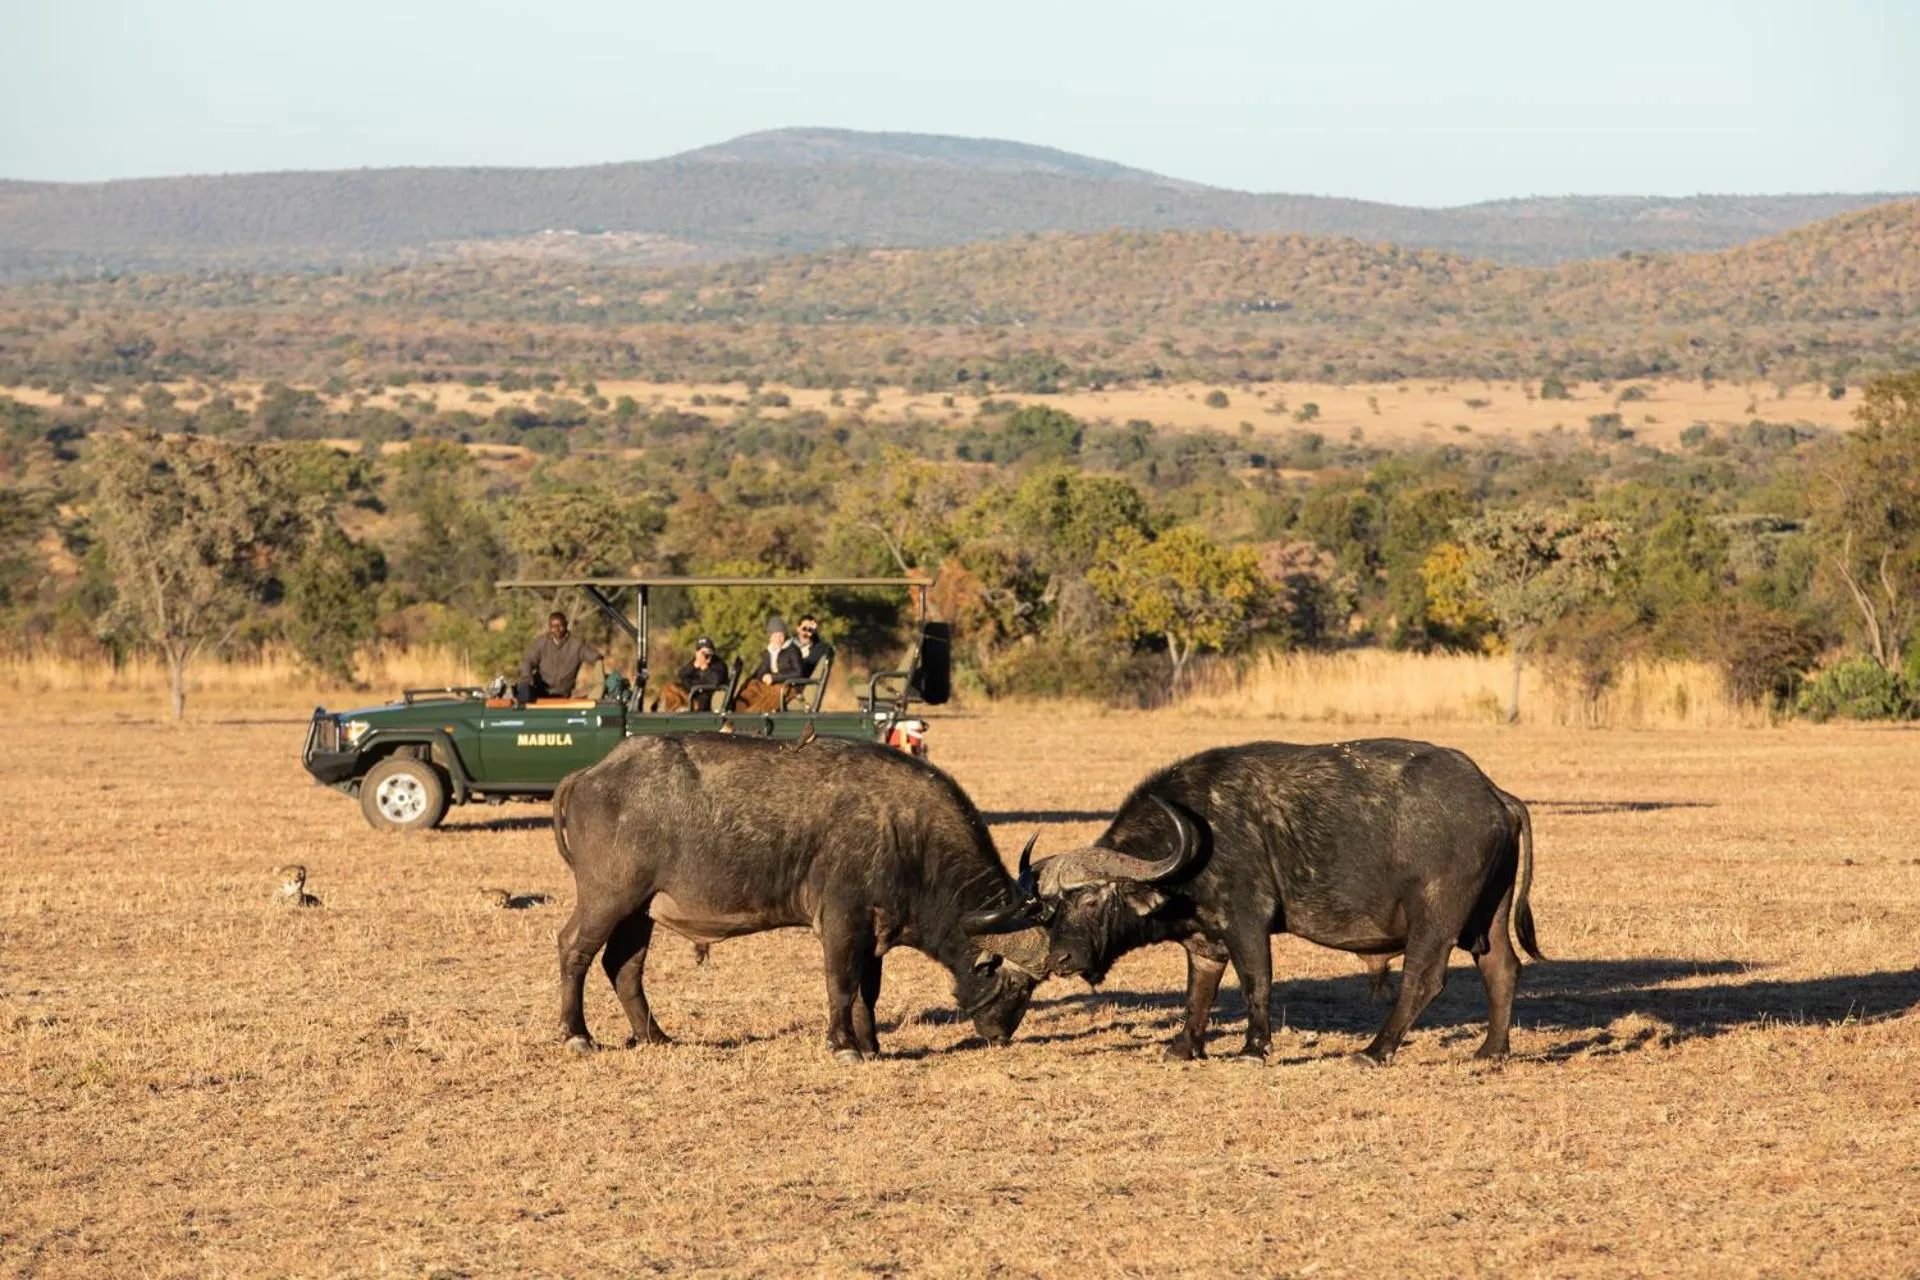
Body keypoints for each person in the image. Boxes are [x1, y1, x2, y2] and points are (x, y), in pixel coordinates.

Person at [516, 611, 602, 706]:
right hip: (540, 691)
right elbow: (527, 661)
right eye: (553, 626)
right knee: (523, 689)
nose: (557, 629)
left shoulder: (577, 644)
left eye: (560, 625)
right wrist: (527, 678)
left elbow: (596, 658)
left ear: (566, 625)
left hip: (562, 694)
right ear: (549, 627)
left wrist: (600, 681)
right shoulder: (541, 643)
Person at [674, 637, 729, 712]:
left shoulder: (718, 664)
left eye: (708, 653)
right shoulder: (695, 662)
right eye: (702, 653)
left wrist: (705, 668)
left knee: (703, 698)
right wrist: (694, 666)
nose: (705, 656)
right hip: (693, 692)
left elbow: (716, 681)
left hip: (708, 694)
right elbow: (681, 675)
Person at [748, 616, 802, 687]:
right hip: (773, 685)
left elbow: (798, 672)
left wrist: (774, 677)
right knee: (750, 688)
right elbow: (761, 670)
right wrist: (764, 677)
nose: (778, 639)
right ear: (770, 637)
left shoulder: (792, 650)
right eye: (775, 636)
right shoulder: (769, 652)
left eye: (781, 635)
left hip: (788, 686)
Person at [793, 614, 835, 681]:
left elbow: (829, 652)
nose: (807, 633)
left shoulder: (820, 649)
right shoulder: (789, 646)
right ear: (798, 629)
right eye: (804, 629)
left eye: (810, 630)